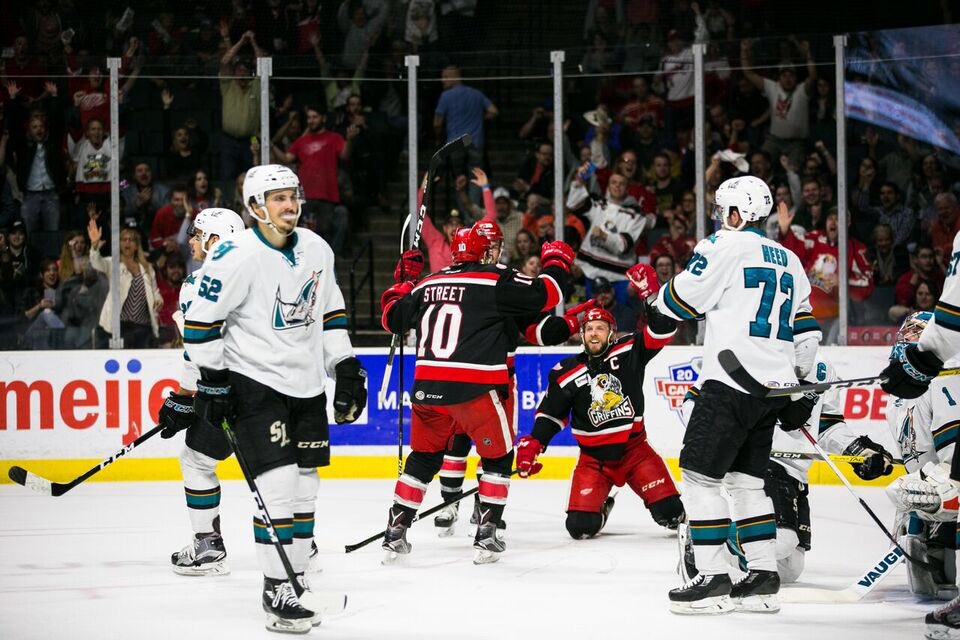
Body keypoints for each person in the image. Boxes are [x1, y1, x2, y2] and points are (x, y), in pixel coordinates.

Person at [182, 165, 367, 633]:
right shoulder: (235, 256)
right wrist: (216, 380)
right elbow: (200, 323)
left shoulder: (316, 249)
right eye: (278, 197)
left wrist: (343, 365)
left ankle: (297, 578)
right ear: (255, 207)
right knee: (279, 486)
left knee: (306, 488)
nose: (290, 205)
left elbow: (331, 311)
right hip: (256, 385)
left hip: (307, 388)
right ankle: (275, 588)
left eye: (293, 196)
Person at [655, 175, 821, 615]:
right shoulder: (789, 259)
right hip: (773, 390)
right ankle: (762, 578)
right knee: (747, 483)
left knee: (698, 477)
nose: (718, 216)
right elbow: (806, 338)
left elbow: (680, 303)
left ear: (736, 213)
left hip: (729, 382)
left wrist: (657, 297)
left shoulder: (722, 245)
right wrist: (801, 387)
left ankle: (712, 578)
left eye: (721, 209)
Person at [378, 225, 574, 564]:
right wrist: (556, 260)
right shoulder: (496, 280)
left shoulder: (428, 282)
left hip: (427, 389)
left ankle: (395, 530)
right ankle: (487, 532)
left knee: (423, 459)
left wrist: (404, 284)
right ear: (485, 252)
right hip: (475, 388)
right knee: (498, 459)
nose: (497, 253)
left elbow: (392, 319)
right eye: (494, 247)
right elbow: (549, 293)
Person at [429, 223, 594, 537]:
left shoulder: (506, 281)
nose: (492, 250)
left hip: (498, 376)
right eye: (487, 244)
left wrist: (573, 321)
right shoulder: (461, 278)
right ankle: (449, 503)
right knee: (455, 442)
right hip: (461, 372)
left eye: (495, 244)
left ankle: (484, 505)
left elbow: (538, 332)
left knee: (493, 446)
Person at [681, 353, 893, 584]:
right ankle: (706, 539)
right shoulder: (752, 353)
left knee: (789, 569)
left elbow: (826, 425)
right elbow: (694, 403)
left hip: (795, 471)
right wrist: (730, 439)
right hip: (762, 461)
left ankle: (722, 544)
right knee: (782, 540)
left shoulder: (821, 368)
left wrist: (858, 450)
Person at [517, 264, 684, 539]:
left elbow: (663, 330)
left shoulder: (630, 350)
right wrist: (535, 442)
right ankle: (601, 506)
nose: (594, 333)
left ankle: (662, 505)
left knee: (672, 516)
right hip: (593, 460)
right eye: (590, 328)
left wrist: (651, 297)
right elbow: (551, 414)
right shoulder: (565, 371)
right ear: (582, 335)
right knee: (580, 529)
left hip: (635, 453)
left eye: (601, 328)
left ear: (611, 332)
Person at [161, 208, 244, 575]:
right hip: (273, 388)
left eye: (196, 235)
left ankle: (207, 546)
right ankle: (304, 546)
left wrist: (181, 398)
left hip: (226, 391)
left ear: (215, 242)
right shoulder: (265, 273)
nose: (190, 241)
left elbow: (200, 347)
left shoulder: (199, 283)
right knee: (270, 468)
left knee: (195, 462)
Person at [882, 312, 960, 603]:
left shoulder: (944, 379)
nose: (907, 337)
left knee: (909, 492)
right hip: (924, 487)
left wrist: (946, 492)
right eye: (907, 331)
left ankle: (944, 547)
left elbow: (952, 452)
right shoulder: (898, 396)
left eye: (917, 332)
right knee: (906, 502)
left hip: (946, 487)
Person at [271, 105, 359, 255]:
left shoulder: (334, 138)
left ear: (323, 119)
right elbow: (287, 158)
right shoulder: (302, 140)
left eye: (314, 117)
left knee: (325, 237)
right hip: (304, 198)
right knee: (305, 238)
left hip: (327, 196)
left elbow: (345, 155)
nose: (311, 121)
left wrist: (350, 140)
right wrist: (271, 144)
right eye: (309, 118)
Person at [567, 167, 648, 304]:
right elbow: (573, 204)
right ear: (608, 186)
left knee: (620, 320)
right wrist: (579, 181)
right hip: (590, 272)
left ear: (628, 188)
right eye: (613, 182)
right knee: (593, 320)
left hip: (619, 277)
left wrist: (604, 236)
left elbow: (624, 246)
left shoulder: (637, 215)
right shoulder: (598, 205)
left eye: (621, 183)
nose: (617, 186)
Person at [88, 223, 162, 348]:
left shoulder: (147, 267)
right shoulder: (112, 263)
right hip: (119, 326)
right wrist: (94, 247)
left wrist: (159, 299)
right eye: (124, 239)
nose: (127, 243)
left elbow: (155, 291)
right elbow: (96, 262)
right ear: (120, 244)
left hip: (143, 327)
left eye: (131, 240)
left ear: (136, 245)